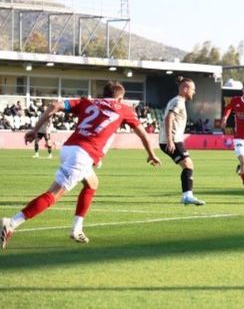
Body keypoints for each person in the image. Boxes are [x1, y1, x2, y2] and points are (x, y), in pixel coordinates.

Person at [1, 81, 161, 249]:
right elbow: (143, 134)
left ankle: (76, 229)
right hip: (82, 155)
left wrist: (35, 130)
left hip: (69, 148)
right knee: (53, 194)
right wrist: (151, 154)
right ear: (120, 98)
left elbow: (54, 105)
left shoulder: (88, 101)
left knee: (92, 183)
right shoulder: (124, 109)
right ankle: (11, 223)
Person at [159, 77, 205, 206]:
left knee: (188, 165)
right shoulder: (178, 101)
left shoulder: (178, 101)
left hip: (174, 139)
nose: (194, 92)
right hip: (172, 140)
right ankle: (187, 196)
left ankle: (187, 196)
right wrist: (169, 140)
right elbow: (169, 118)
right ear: (185, 89)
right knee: (188, 164)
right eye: (193, 89)